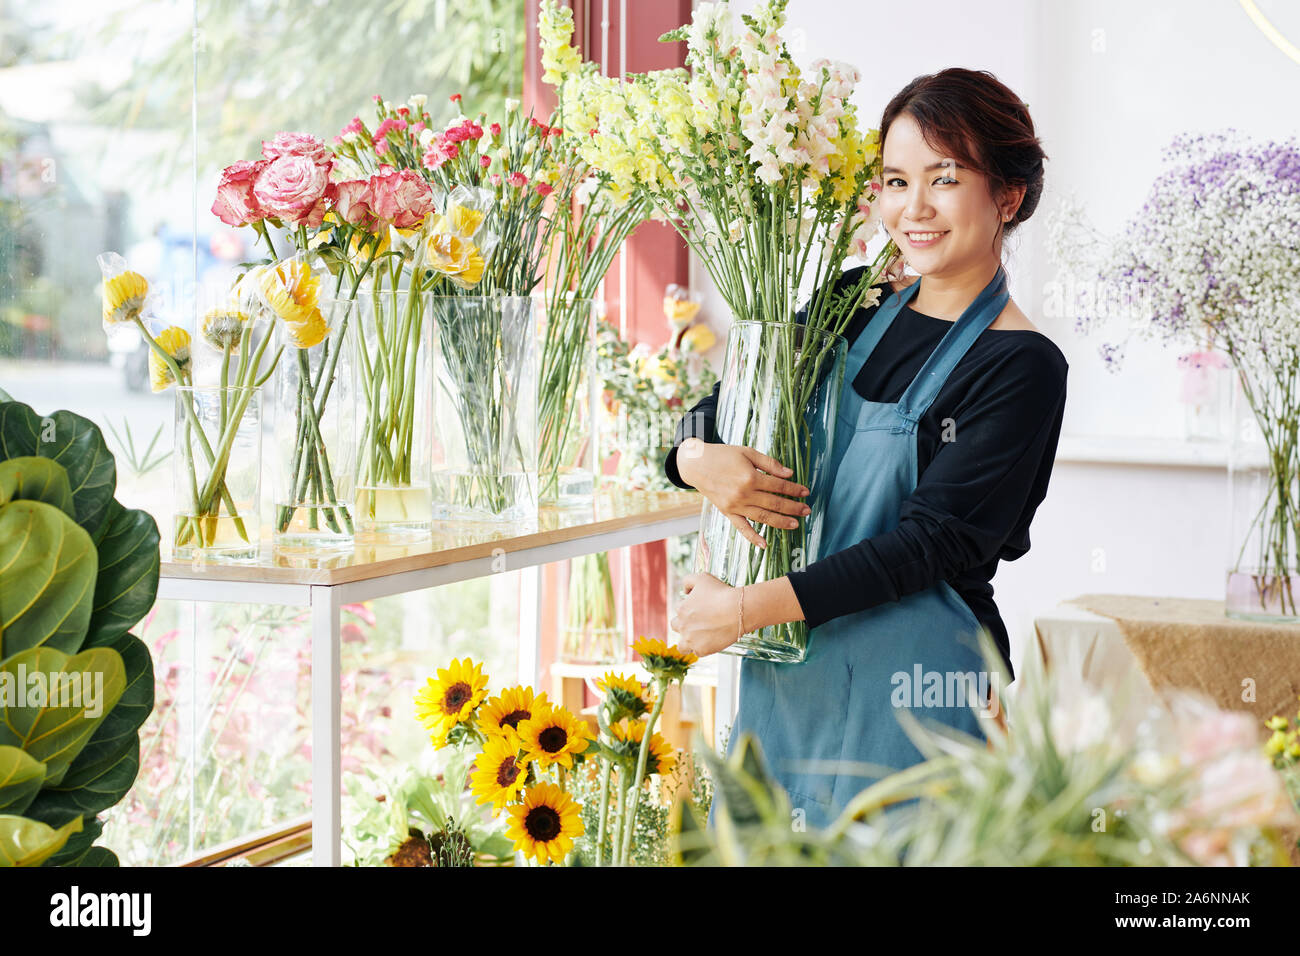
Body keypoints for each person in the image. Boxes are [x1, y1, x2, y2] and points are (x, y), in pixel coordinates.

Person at [664, 67, 1069, 830]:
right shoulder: (851, 304)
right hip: (789, 675)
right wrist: (697, 460)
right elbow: (713, 414)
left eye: (943, 180)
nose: (913, 208)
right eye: (894, 180)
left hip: (918, 693)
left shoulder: (1022, 365)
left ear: (1006, 197)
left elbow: (929, 544)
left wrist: (745, 609)